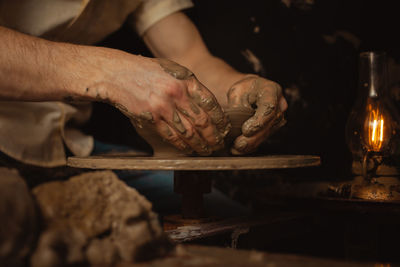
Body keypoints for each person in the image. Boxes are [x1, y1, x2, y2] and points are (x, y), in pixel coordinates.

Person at [0, 0, 287, 168]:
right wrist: (109, 71)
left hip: (69, 142)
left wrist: (240, 85)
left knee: (228, 219)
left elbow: (189, 57)